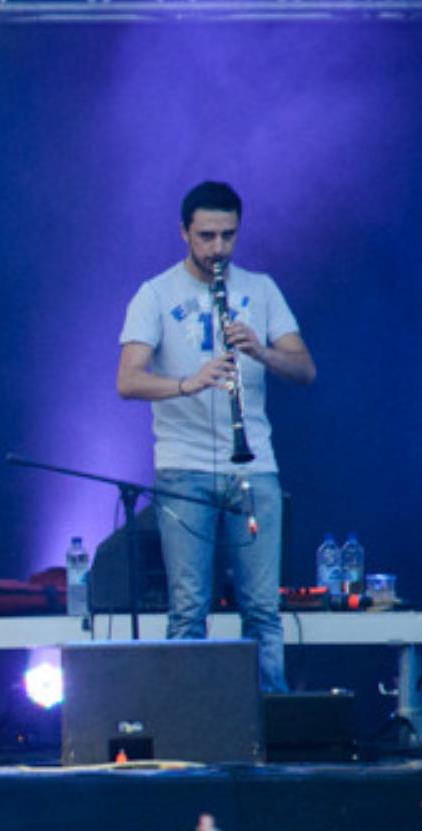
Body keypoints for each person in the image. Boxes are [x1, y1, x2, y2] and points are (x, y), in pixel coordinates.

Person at [117, 180, 316, 693]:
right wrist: (189, 382)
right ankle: (188, 721)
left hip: (254, 467)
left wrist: (261, 351)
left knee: (262, 609)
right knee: (188, 609)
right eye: (206, 236)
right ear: (184, 233)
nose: (218, 248)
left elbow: (305, 369)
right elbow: (128, 380)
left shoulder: (261, 289)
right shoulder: (155, 294)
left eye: (228, 235)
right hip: (182, 468)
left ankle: (269, 721)